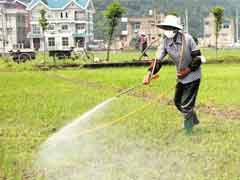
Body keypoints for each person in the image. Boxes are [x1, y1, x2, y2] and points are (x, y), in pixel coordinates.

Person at [143, 15, 204, 132]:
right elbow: (158, 61)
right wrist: (149, 74)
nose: (168, 30)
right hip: (181, 77)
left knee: (186, 104)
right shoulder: (165, 42)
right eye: (166, 27)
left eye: (170, 27)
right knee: (177, 102)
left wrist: (187, 71)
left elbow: (198, 58)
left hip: (193, 75)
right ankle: (192, 118)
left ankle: (188, 130)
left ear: (176, 29)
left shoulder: (188, 39)